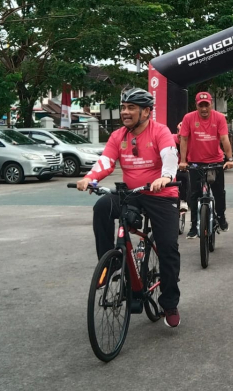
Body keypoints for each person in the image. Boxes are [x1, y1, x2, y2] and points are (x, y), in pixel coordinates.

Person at [75, 88, 182, 328]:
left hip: (161, 195)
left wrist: (165, 177)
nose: (125, 112)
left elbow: (170, 156)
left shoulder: (160, 131)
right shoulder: (119, 135)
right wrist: (90, 178)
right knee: (102, 206)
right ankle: (110, 262)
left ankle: (169, 303)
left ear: (146, 112)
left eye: (131, 107)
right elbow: (106, 161)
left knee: (168, 248)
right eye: (123, 107)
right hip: (131, 194)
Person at [178, 92, 233, 239]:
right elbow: (183, 139)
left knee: (218, 193)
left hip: (215, 161)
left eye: (206, 105)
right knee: (195, 195)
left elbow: (224, 139)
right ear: (196, 105)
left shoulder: (219, 118)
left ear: (211, 104)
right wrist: (183, 161)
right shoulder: (188, 118)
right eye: (200, 105)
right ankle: (194, 226)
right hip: (195, 163)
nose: (203, 109)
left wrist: (229, 158)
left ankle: (221, 216)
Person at [174, 122, 189, 215]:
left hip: (188, 166)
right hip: (173, 166)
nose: (181, 139)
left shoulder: (192, 141)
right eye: (179, 136)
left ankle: (184, 200)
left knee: (184, 175)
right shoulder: (170, 139)